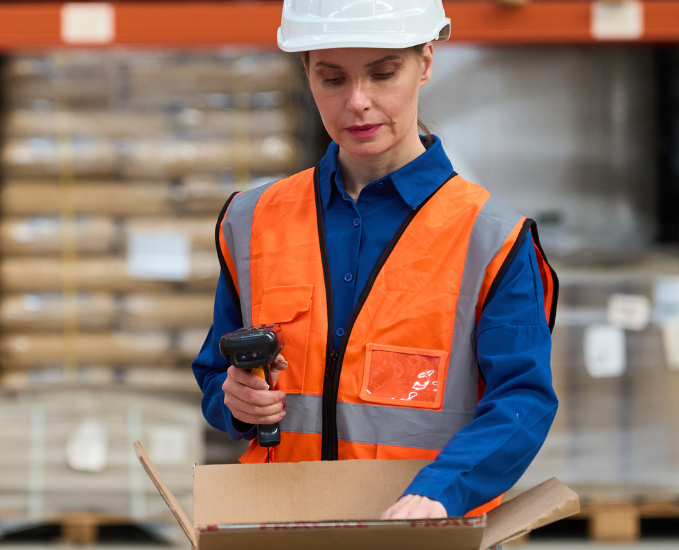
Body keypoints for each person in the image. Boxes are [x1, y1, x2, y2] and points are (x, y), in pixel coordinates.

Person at [192, 0, 560, 521]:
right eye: (332, 79)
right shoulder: (252, 220)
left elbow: (522, 399)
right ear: (306, 74)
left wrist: (441, 493)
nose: (357, 102)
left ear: (425, 62)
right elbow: (216, 372)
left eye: (383, 74)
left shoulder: (491, 238)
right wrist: (234, 400)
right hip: (287, 522)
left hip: (425, 526)